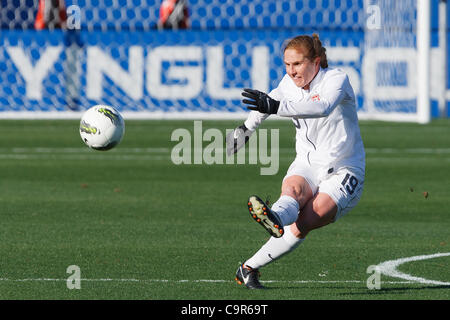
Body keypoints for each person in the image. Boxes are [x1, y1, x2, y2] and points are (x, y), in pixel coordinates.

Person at [227, 34, 365, 289]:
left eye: (298, 64)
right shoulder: (287, 84)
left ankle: (250, 266)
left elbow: (321, 106)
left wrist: (275, 106)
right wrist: (245, 129)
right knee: (293, 191)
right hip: (307, 162)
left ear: (316, 61)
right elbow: (265, 104)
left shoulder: (336, 79)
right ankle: (274, 218)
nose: (292, 71)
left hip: (344, 168)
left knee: (306, 222)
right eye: (287, 65)